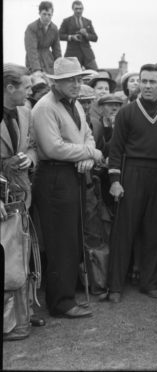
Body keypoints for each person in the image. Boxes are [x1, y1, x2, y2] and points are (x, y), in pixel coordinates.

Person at [32, 57, 102, 318]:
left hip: (71, 174)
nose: (77, 84)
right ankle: (60, 303)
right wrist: (89, 153)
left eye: (79, 79)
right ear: (56, 82)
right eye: (70, 80)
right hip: (53, 178)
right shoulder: (44, 108)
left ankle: (66, 296)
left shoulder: (76, 105)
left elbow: (88, 136)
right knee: (61, 242)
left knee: (72, 239)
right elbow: (53, 148)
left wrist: (87, 154)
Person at [104, 64, 157, 303]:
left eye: (152, 82)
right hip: (132, 173)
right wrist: (115, 181)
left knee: (155, 231)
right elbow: (115, 151)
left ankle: (149, 282)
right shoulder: (127, 112)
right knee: (123, 232)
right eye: (143, 81)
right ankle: (115, 286)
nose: (147, 86)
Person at [2, 63, 42, 341]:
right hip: (2, 201)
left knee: (21, 257)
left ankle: (21, 316)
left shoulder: (26, 112)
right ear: (9, 88)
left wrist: (30, 157)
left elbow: (32, 145)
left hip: (21, 196)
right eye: (26, 86)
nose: (30, 91)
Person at [24, 1, 61, 75]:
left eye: (49, 15)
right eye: (44, 14)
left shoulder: (54, 28)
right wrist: (36, 69)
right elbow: (31, 50)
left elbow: (57, 50)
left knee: (52, 82)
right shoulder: (31, 28)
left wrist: (60, 66)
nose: (47, 17)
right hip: (34, 61)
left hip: (48, 61)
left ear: (52, 15)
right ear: (39, 13)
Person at [59, 1, 98, 70]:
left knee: (95, 75)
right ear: (72, 9)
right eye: (76, 9)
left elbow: (95, 38)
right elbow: (59, 35)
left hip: (88, 55)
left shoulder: (88, 21)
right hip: (72, 55)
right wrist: (71, 37)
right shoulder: (66, 21)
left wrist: (86, 34)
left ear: (83, 9)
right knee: (71, 78)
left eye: (80, 8)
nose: (78, 11)